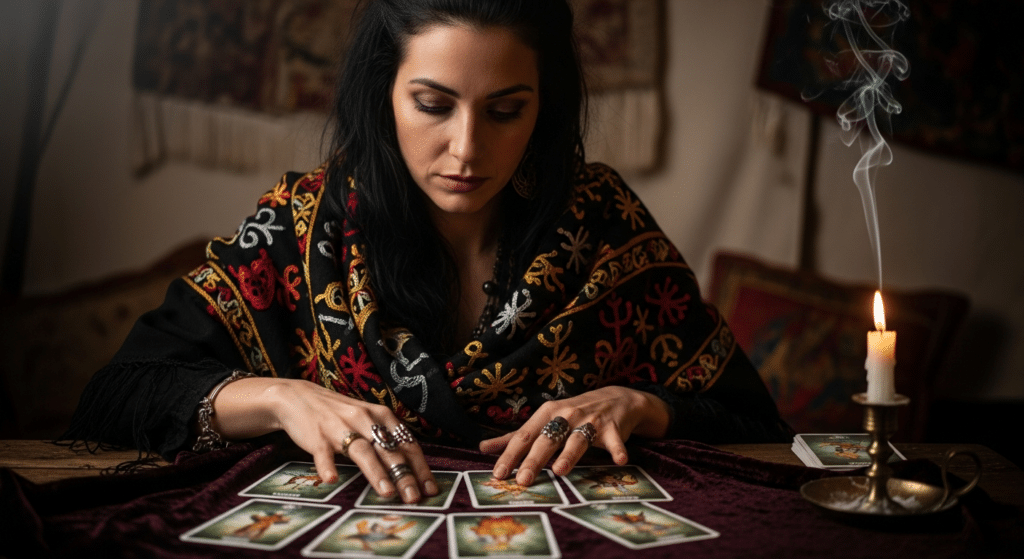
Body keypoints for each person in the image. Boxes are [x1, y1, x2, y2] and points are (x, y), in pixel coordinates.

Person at [63, 0, 790, 506]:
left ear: (546, 106)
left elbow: (755, 425)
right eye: (433, 104)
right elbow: (118, 391)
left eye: (506, 110)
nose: (467, 149)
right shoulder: (306, 227)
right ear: (384, 93)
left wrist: (641, 404)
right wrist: (284, 397)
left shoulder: (601, 223)